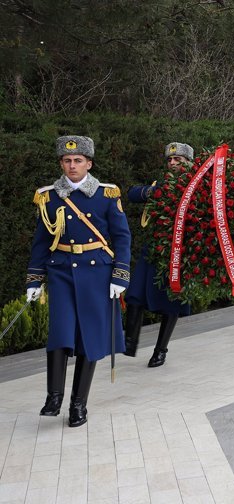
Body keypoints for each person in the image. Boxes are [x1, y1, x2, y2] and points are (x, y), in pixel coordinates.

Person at [27, 136, 131, 427]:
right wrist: (34, 280)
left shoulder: (106, 194)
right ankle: (54, 396)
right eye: (67, 161)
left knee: (90, 338)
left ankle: (78, 405)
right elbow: (41, 241)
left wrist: (120, 274)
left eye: (78, 161)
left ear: (89, 163)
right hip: (60, 272)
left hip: (97, 273)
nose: (72, 166)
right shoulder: (47, 197)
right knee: (59, 332)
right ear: (61, 163)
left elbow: (122, 238)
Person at [123, 143, 193, 367]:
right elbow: (133, 193)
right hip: (153, 248)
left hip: (177, 252)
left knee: (170, 301)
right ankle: (129, 342)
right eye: (170, 160)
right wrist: (154, 191)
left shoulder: (195, 187)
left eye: (178, 160)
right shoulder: (159, 185)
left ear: (189, 163)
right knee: (134, 295)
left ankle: (160, 350)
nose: (172, 163)